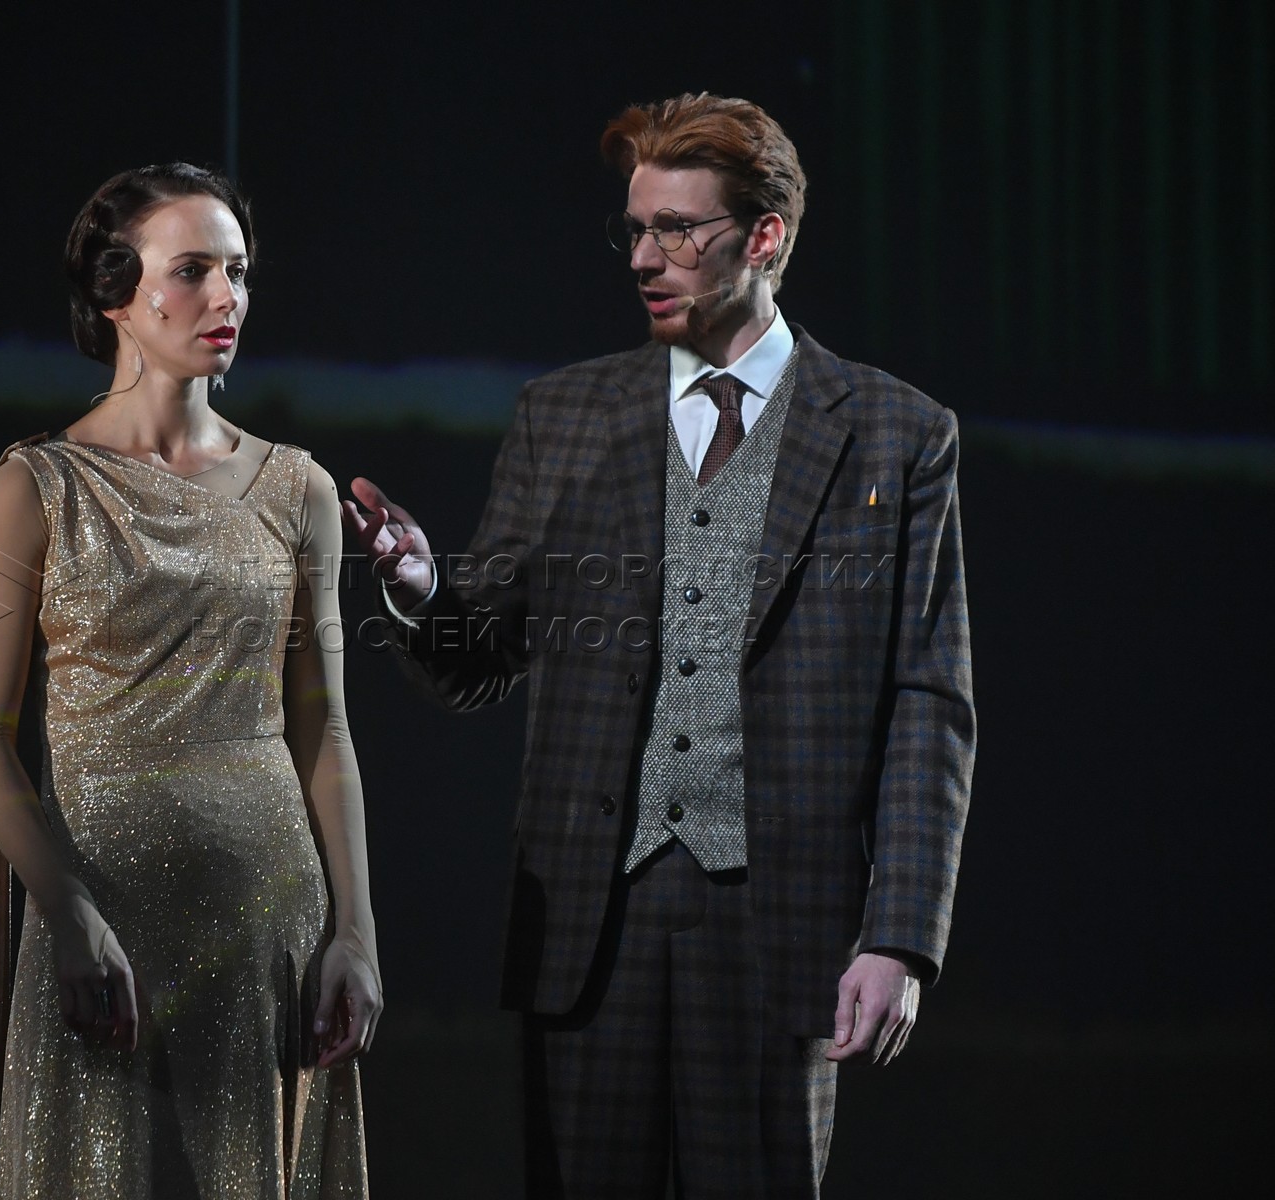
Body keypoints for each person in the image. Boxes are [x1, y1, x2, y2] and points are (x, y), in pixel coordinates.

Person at [344, 93, 974, 1197]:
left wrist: (900, 936)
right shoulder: (565, 414)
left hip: (782, 923)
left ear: (764, 236)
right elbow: (480, 655)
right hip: (592, 919)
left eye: (676, 230)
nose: (644, 257)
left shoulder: (897, 433)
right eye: (635, 230)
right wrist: (422, 587)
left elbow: (928, 696)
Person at [0, 162, 380, 1199]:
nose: (228, 298)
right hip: (101, 919)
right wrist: (67, 911)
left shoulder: (299, 488)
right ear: (115, 294)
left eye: (239, 271)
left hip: (270, 920)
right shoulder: (37, 487)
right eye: (194, 271)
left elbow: (325, 729)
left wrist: (356, 934)